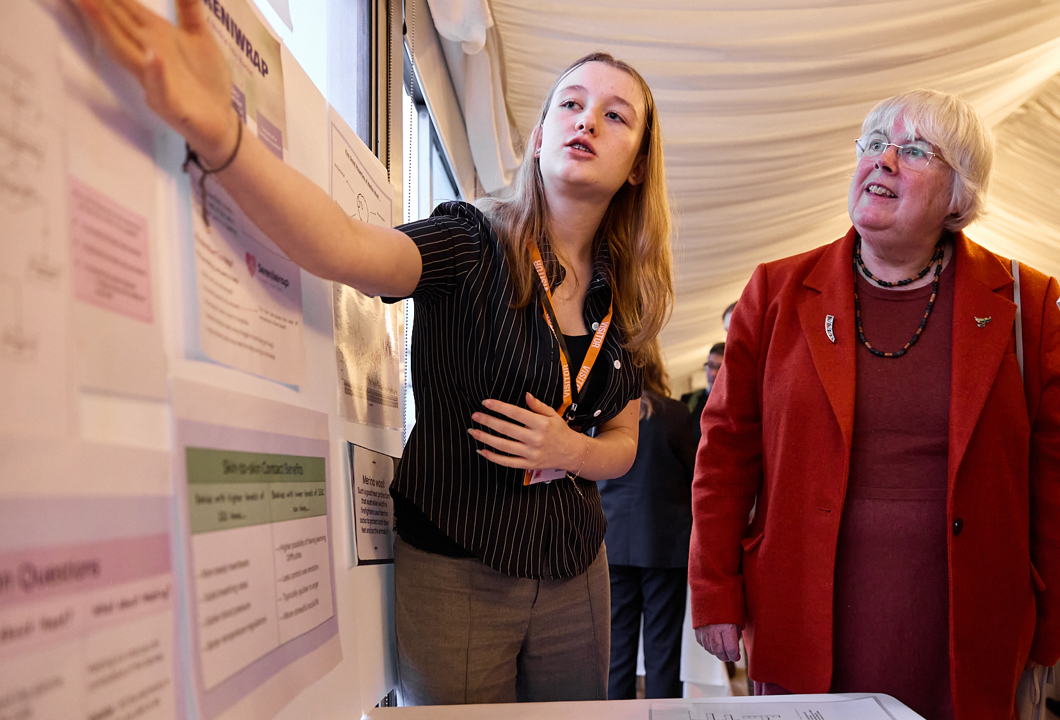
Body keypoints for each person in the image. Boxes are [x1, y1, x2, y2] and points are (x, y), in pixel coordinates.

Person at [75, 0, 675, 705]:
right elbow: (344, 247)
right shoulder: (471, 241)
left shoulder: (624, 292)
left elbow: (623, 439)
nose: (587, 121)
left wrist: (572, 451)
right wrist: (222, 133)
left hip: (576, 570)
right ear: (540, 135)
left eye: (615, 115)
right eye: (571, 104)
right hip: (458, 568)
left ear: (638, 166)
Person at [688, 89, 1060, 720]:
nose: (883, 161)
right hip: (803, 613)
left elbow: (1058, 481)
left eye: (914, 151)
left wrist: (1059, 617)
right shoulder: (776, 291)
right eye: (875, 145)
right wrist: (713, 590)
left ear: (958, 192)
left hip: (968, 629)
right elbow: (724, 455)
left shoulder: (1027, 301)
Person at [599, 355, 696, 699]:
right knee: (663, 649)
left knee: (616, 650)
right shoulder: (676, 413)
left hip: (612, 543)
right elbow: (696, 477)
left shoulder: (602, 413)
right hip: (665, 545)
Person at [681, 342, 723, 446]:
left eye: (719, 367)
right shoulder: (688, 401)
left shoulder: (737, 406)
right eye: (710, 366)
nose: (713, 373)